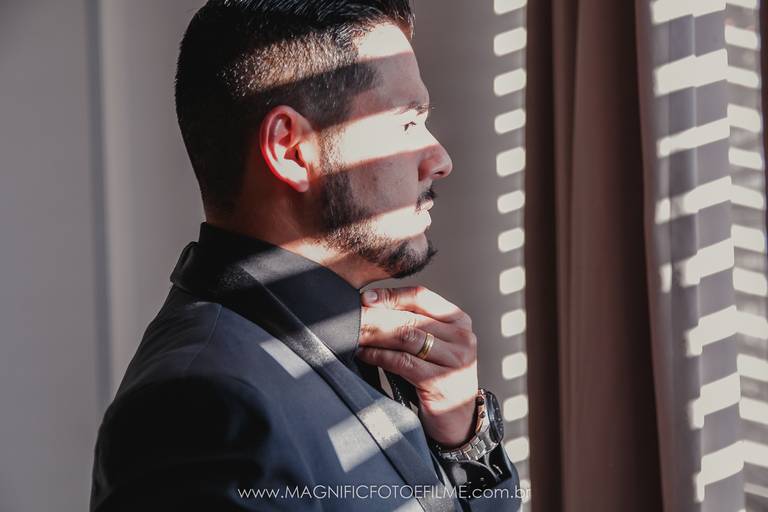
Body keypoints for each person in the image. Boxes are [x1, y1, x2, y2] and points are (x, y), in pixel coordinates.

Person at [89, 1, 522, 510]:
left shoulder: (334, 347)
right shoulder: (203, 411)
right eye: (407, 123)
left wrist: (461, 440)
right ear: (291, 150)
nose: (440, 160)